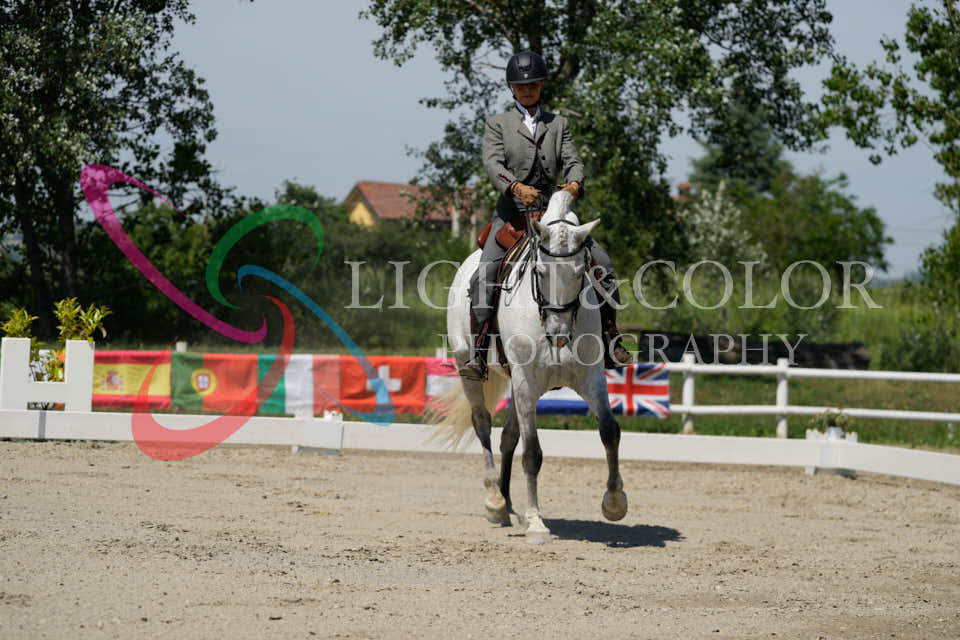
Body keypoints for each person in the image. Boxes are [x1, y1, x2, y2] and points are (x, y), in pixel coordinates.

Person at [458, 51, 634, 381]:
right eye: (521, 86)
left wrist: (575, 183)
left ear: (542, 86)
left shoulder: (558, 124)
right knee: (485, 274)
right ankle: (479, 354)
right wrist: (513, 187)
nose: (527, 90)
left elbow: (573, 160)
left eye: (533, 85)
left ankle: (611, 339)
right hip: (512, 215)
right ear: (512, 88)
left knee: (603, 262)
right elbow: (492, 163)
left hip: (553, 212)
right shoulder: (497, 124)